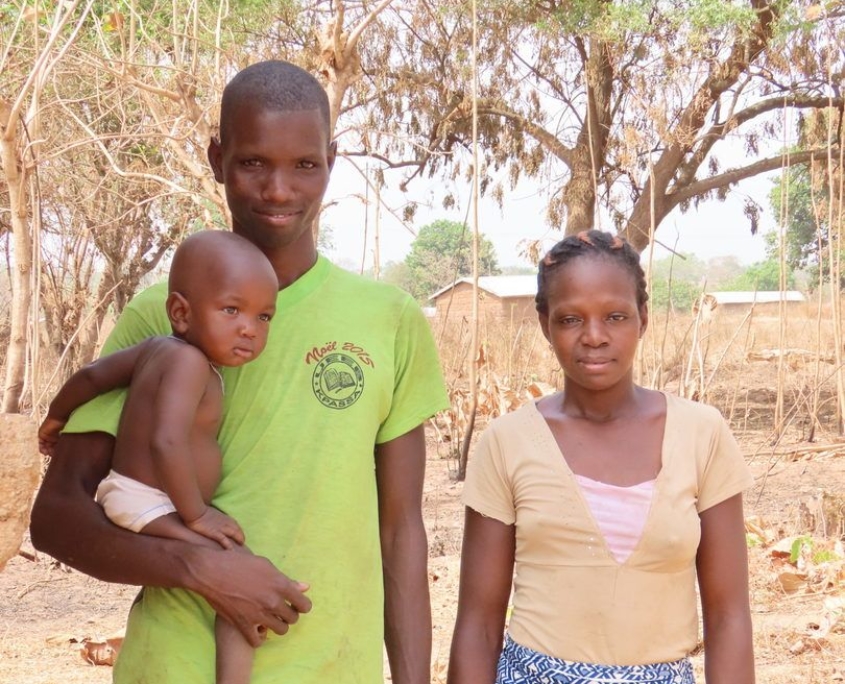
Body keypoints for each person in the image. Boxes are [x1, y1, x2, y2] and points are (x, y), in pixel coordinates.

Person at [30, 60, 449, 684]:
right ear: (216, 159)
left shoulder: (387, 319)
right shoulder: (161, 316)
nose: (279, 190)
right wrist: (200, 568)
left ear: (331, 162)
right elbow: (57, 517)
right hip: (176, 667)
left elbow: (401, 531)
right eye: (253, 162)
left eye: (304, 164)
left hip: (335, 668)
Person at [447, 230, 755, 684]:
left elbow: (729, 616)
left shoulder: (701, 434)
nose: (594, 337)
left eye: (615, 316)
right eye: (571, 319)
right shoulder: (507, 442)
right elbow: (479, 624)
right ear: (545, 323)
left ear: (643, 318)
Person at [37, 230, 279, 684]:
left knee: (239, 574)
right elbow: (166, 442)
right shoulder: (190, 364)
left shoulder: (156, 351)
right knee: (241, 575)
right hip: (146, 501)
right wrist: (198, 515)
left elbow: (92, 376)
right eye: (231, 310)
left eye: (263, 316)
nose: (249, 328)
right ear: (181, 313)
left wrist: (55, 416)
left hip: (134, 495)